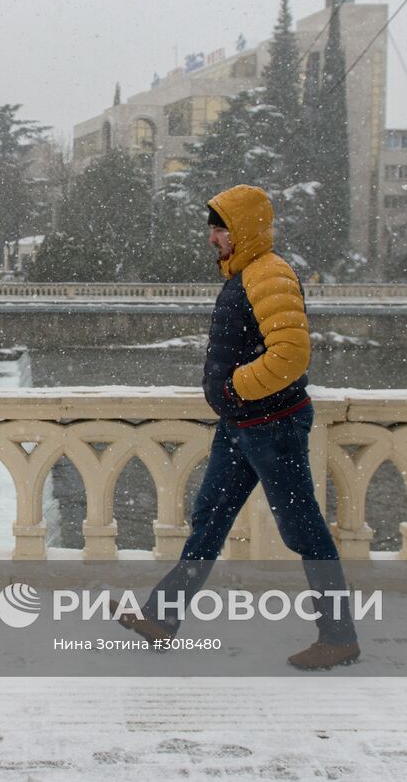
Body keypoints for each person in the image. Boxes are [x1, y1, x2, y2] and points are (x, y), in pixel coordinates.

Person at [117, 184, 360, 670]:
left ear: (243, 229)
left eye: (220, 228)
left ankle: (339, 637)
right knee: (209, 520)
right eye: (211, 227)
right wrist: (234, 401)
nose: (212, 238)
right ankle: (161, 617)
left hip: (272, 426)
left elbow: (291, 356)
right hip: (244, 426)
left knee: (304, 530)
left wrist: (233, 389)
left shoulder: (269, 275)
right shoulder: (248, 274)